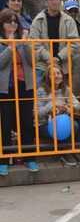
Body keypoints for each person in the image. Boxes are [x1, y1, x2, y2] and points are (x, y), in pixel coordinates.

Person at [0, 9, 37, 174]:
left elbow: (31, 61)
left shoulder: (22, 40)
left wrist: (24, 43)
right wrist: (9, 46)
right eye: (9, 21)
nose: (13, 24)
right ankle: (4, 160)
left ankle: (30, 158)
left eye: (15, 21)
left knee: (27, 122)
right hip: (5, 88)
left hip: (24, 85)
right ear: (2, 24)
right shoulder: (1, 41)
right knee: (6, 123)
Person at [36, 65, 80, 166]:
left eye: (58, 73)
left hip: (62, 121)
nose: (56, 76)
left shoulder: (65, 89)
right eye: (53, 74)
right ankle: (66, 152)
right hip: (44, 124)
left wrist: (69, 107)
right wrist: (50, 106)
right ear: (47, 77)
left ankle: (77, 151)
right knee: (73, 125)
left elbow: (79, 105)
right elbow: (37, 113)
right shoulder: (41, 91)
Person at [29, 0, 79, 87]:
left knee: (65, 96)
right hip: (43, 65)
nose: (54, 1)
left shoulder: (69, 20)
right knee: (40, 95)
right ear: (46, 1)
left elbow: (74, 43)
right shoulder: (37, 20)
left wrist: (59, 58)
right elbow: (34, 43)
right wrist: (49, 58)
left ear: (60, 1)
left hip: (63, 65)